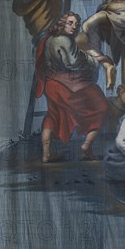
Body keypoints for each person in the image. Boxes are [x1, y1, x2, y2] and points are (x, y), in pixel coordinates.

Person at [35, 12, 109, 161]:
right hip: (66, 86)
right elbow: (73, 63)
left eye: (76, 24)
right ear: (62, 23)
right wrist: (97, 59)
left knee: (53, 115)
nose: (74, 27)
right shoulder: (64, 40)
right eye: (70, 23)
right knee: (101, 106)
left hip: (51, 84)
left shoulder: (49, 38)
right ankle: (86, 147)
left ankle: (46, 154)